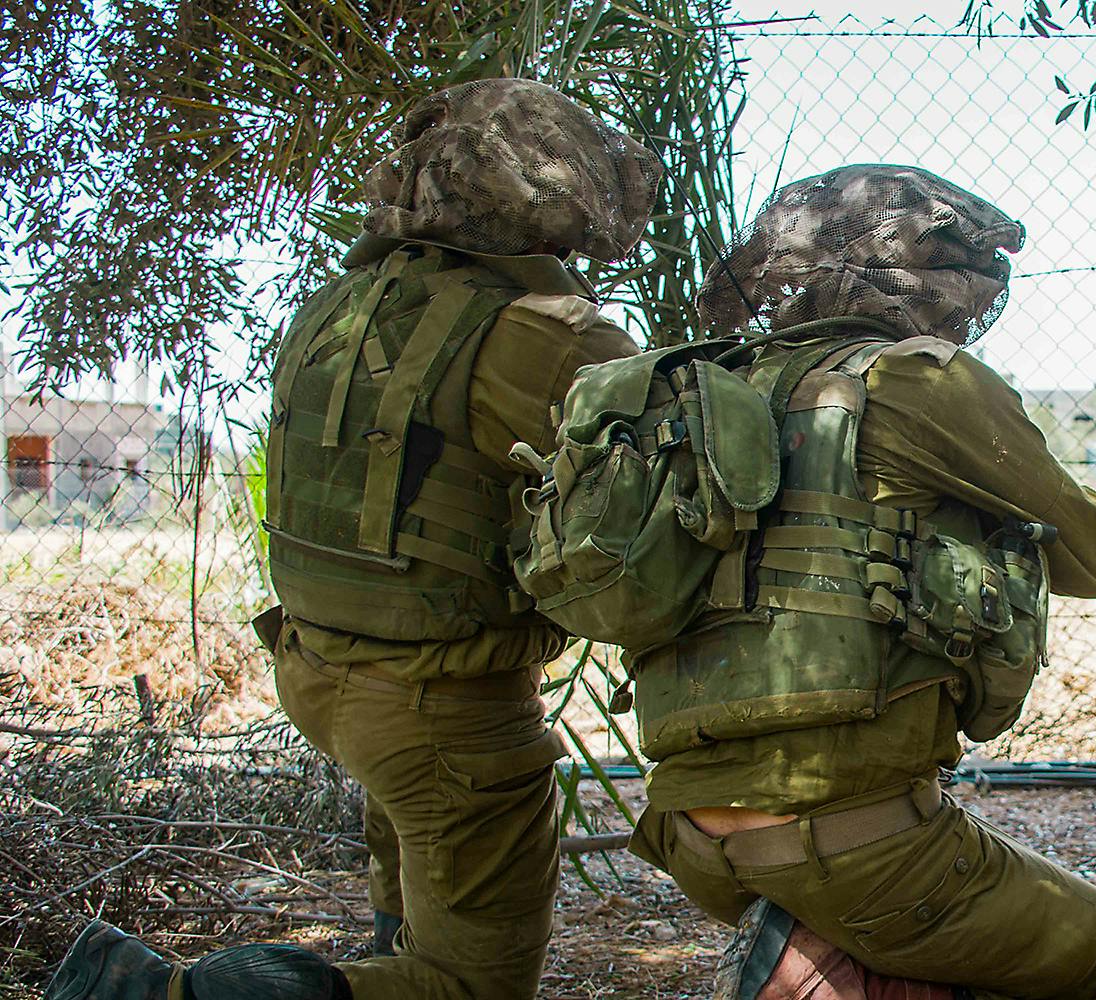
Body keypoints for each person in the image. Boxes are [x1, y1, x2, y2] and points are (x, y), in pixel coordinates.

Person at [45, 78, 659, 1000]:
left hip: (322, 669)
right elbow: (673, 504)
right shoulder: (538, 334)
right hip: (443, 708)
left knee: (410, 901)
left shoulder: (335, 307)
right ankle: (155, 993)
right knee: (465, 985)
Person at [621, 163, 1096, 1000]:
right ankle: (831, 949)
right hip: (863, 848)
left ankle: (821, 962)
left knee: (940, 956)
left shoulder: (701, 392)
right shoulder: (918, 379)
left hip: (688, 837)